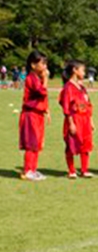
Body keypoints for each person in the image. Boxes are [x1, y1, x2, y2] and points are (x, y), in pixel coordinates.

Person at [59, 60, 94, 179]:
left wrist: (91, 121)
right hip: (74, 119)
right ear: (75, 70)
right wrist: (71, 123)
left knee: (86, 144)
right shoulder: (68, 87)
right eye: (83, 70)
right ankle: (72, 171)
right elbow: (66, 106)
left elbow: (88, 104)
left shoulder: (82, 87)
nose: (84, 73)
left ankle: (84, 170)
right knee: (72, 144)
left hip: (85, 120)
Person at [19, 51, 50, 181]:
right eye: (42, 63)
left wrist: (46, 110)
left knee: (37, 143)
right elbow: (42, 92)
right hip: (30, 114)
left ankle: (33, 169)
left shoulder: (38, 78)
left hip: (38, 114)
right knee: (31, 143)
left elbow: (43, 98)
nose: (45, 66)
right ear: (33, 65)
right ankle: (27, 171)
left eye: (45, 63)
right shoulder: (31, 78)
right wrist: (46, 79)